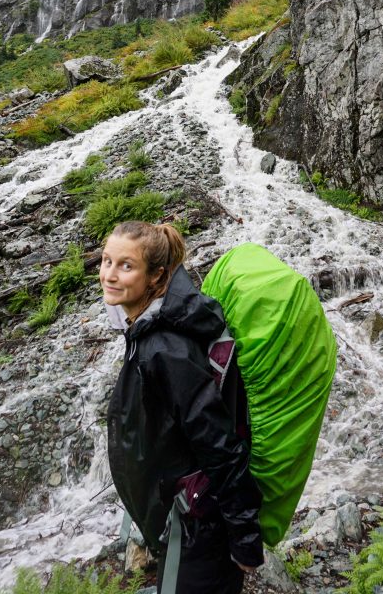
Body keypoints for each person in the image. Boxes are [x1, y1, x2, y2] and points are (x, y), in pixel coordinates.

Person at [101, 220, 264, 594]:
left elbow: (218, 443)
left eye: (126, 266)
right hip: (185, 517)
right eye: (107, 261)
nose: (109, 275)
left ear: (156, 275)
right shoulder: (145, 324)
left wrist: (243, 535)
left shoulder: (166, 349)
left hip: (198, 525)